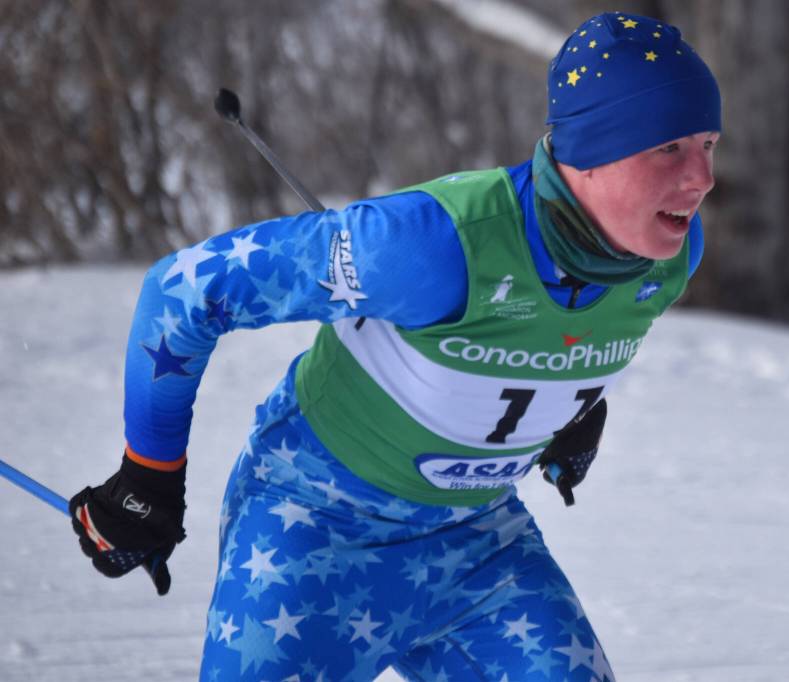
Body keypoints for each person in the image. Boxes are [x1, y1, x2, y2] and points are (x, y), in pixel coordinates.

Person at [69, 11, 720, 681]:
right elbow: (184, 290)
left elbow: (562, 330)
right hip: (316, 528)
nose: (701, 176)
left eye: (709, 144)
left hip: (479, 545)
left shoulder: (668, 253)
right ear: (590, 150)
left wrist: (568, 411)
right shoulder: (429, 246)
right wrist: (147, 477)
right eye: (669, 148)